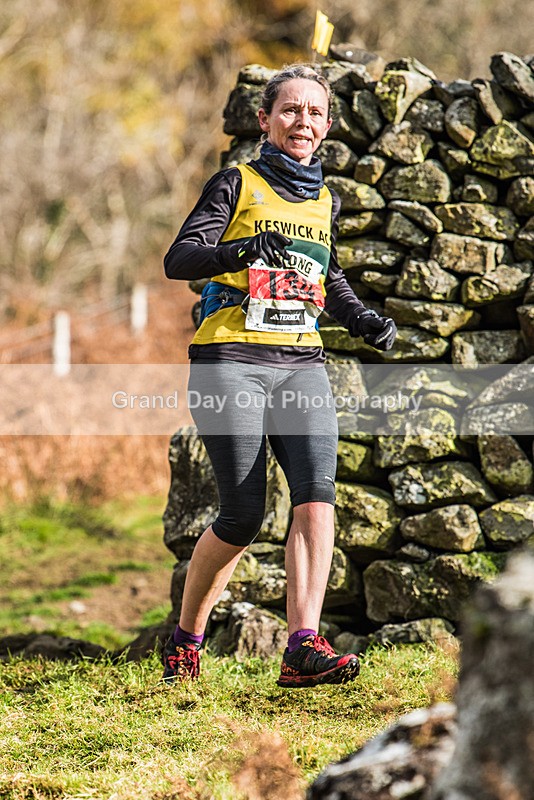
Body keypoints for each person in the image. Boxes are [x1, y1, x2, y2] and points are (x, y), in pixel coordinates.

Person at [162, 63, 396, 688]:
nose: (303, 121)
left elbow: (327, 276)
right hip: (230, 359)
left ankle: (302, 646)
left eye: (314, 112)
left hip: (301, 363)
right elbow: (179, 258)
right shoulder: (235, 182)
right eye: (290, 110)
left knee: (317, 501)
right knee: (242, 515)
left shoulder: (326, 198)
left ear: (326, 128)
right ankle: (185, 639)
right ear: (264, 120)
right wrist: (240, 251)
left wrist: (363, 318)